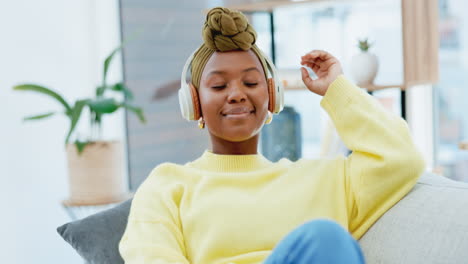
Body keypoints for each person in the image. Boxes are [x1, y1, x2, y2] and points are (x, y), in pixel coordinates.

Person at [119, 7, 424, 264]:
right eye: (219, 86)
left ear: (273, 98)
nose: (237, 94)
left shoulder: (324, 180)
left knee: (325, 239)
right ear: (193, 103)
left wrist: (337, 89)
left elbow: (400, 158)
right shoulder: (167, 186)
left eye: (250, 83)